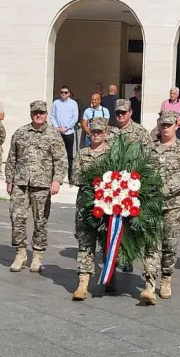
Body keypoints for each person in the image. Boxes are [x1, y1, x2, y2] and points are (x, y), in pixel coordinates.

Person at [5, 100, 67, 273]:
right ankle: (21, 252)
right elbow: (12, 158)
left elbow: (61, 159)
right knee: (17, 218)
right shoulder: (20, 133)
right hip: (20, 183)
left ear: (46, 114)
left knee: (40, 221)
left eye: (41, 112)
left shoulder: (53, 135)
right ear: (31, 114)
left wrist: (57, 180)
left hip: (42, 185)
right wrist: (9, 179)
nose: (38, 115)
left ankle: (38, 254)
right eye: (35, 113)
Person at [140, 110, 180, 305]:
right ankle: (149, 285)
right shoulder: (150, 149)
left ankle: (166, 278)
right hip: (152, 207)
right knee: (151, 246)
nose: (165, 128)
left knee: (169, 246)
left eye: (169, 125)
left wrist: (158, 190)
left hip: (173, 208)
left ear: (176, 126)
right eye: (163, 125)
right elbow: (141, 172)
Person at [108, 99, 152, 272]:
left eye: (123, 112)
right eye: (117, 113)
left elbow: (148, 157)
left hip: (133, 185)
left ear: (130, 113)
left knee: (131, 224)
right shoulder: (109, 132)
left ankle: (128, 256)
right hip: (112, 186)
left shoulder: (140, 132)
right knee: (114, 222)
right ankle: (114, 253)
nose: (120, 116)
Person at [71, 117, 111, 300]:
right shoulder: (82, 154)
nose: (95, 135)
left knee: (107, 243)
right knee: (85, 243)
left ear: (106, 133)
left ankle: (111, 276)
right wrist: (97, 181)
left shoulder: (112, 154)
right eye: (93, 132)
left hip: (108, 207)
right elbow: (76, 177)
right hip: (86, 206)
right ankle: (83, 283)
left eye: (99, 132)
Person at [50, 85, 79, 182]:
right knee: (56, 154)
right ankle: (56, 177)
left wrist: (66, 127)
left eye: (65, 92)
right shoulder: (56, 103)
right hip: (57, 132)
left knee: (69, 155)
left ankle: (70, 177)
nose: (63, 94)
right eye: (62, 92)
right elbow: (52, 116)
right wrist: (57, 127)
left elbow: (75, 117)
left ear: (69, 93)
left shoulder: (73, 103)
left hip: (68, 132)